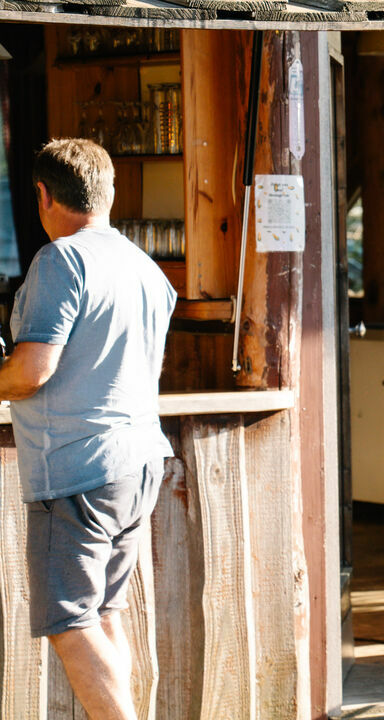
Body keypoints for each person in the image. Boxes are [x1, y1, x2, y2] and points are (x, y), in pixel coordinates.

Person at [0, 138, 175, 720]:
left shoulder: (61, 260)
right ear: (110, 193)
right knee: (103, 614)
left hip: (78, 468)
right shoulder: (146, 268)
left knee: (70, 623)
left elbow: (31, 371)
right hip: (138, 461)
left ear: (43, 196)